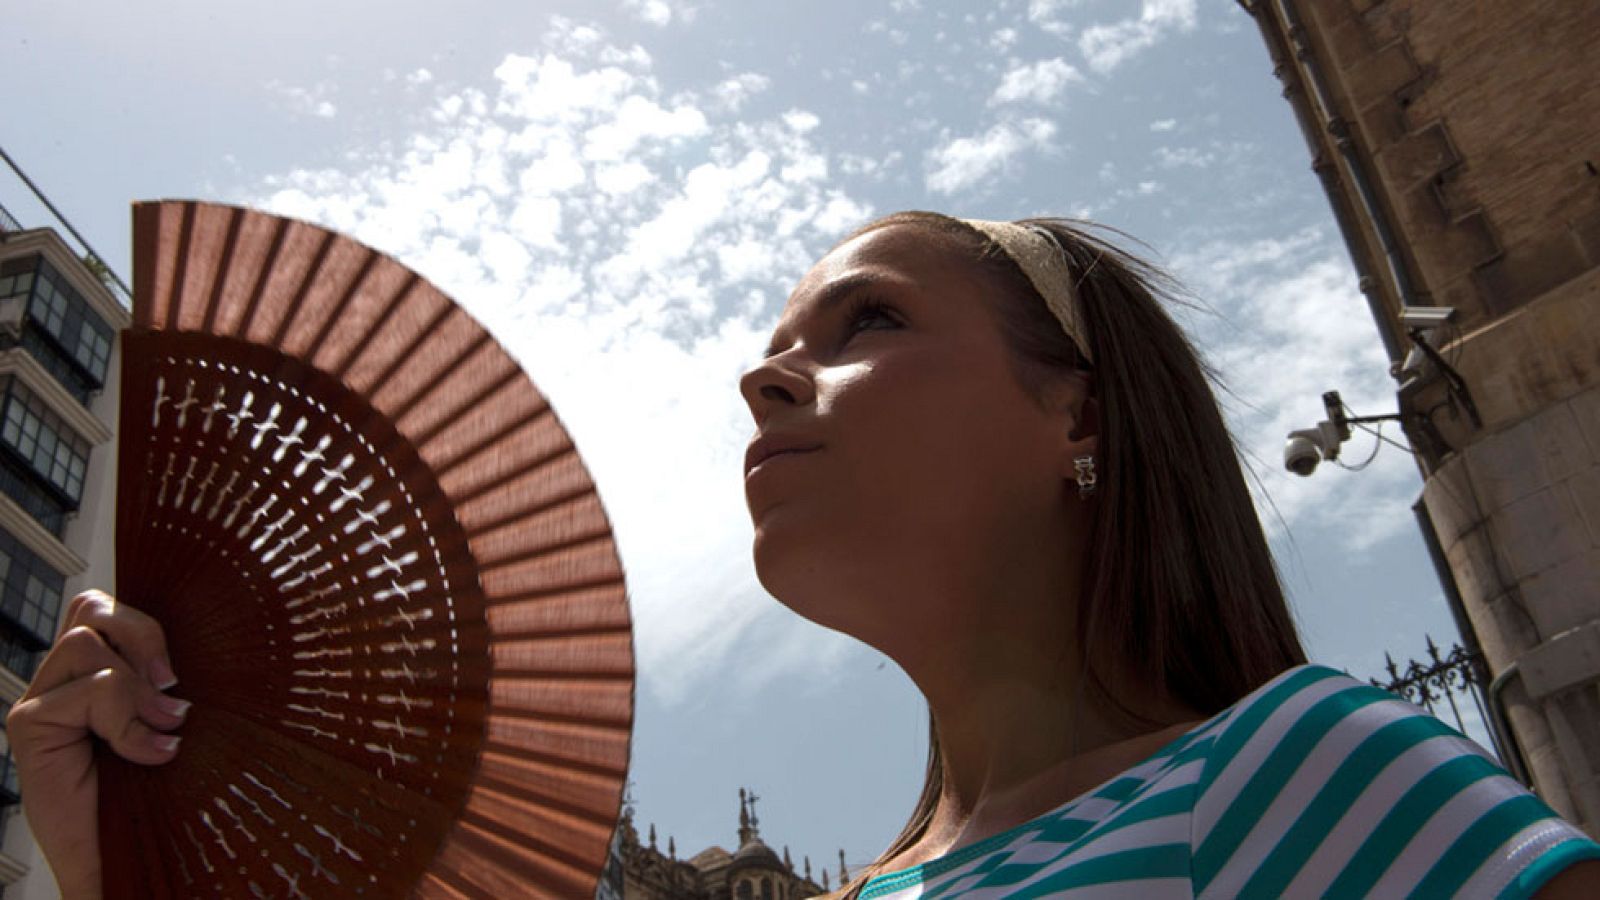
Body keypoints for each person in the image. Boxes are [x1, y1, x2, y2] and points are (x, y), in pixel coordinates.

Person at [9, 212, 1599, 899]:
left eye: (869, 324)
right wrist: (120, 872)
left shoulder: (1286, 781)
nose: (766, 375)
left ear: (1080, 425)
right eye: (774, 343)